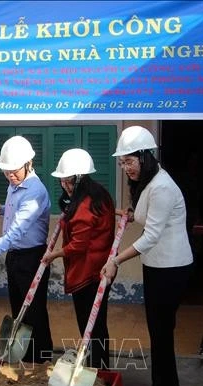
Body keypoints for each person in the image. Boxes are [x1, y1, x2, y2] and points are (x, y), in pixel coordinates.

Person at [100, 126, 193, 386]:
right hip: (157, 265)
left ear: (146, 156)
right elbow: (145, 217)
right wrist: (127, 214)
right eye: (122, 162)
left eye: (129, 161)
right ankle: (169, 384)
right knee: (160, 329)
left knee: (160, 329)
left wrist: (115, 260)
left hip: (171, 267)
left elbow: (151, 236)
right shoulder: (150, 182)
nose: (125, 167)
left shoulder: (162, 186)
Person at [0, 135, 53, 364]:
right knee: (19, 310)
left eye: (14, 171)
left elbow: (16, 232)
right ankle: (24, 357)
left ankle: (41, 360)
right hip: (15, 256)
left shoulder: (35, 192)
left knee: (33, 313)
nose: (10, 176)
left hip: (32, 258)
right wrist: (0, 208)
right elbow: (15, 214)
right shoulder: (15, 187)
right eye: (6, 172)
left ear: (28, 164)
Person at [41, 148, 116, 369]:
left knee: (90, 324)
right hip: (99, 267)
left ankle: (97, 369)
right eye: (63, 182)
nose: (65, 186)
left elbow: (78, 246)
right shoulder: (100, 194)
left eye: (69, 183)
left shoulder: (84, 206)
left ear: (81, 179)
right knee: (97, 323)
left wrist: (52, 255)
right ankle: (98, 366)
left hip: (89, 271)